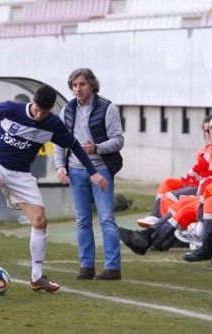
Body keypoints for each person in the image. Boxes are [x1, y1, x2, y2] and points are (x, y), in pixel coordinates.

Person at [0, 85, 108, 292]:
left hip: (21, 173)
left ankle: (37, 277)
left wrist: (92, 172)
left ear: (50, 109)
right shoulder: (11, 109)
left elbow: (74, 145)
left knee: (40, 220)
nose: (39, 114)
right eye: (37, 109)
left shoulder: (53, 124)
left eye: (45, 111)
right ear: (32, 101)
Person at [54, 68, 124, 281]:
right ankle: (86, 266)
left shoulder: (107, 108)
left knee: (106, 218)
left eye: (82, 84)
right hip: (75, 171)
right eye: (74, 85)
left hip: (101, 170)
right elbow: (59, 141)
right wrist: (60, 166)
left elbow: (118, 140)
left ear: (91, 85)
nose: (78, 89)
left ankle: (113, 268)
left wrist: (97, 148)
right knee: (82, 220)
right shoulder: (66, 110)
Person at [136, 115, 212, 228]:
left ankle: (161, 224)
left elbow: (203, 173)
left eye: (210, 129)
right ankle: (155, 216)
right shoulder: (204, 149)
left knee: (170, 197)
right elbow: (195, 172)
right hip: (198, 182)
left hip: (204, 186)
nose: (208, 133)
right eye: (206, 130)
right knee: (168, 183)